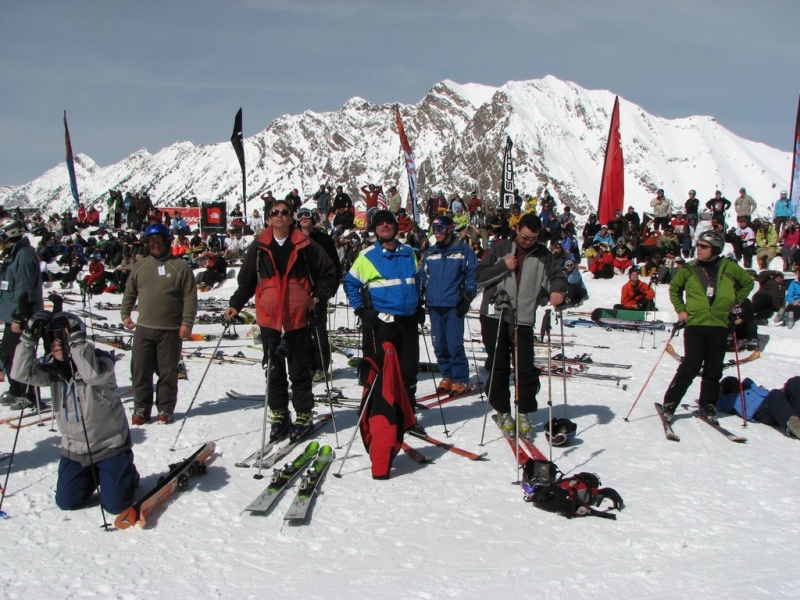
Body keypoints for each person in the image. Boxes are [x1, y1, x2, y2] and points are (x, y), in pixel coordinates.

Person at [225, 200, 337, 441]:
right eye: (274, 212)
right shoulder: (259, 245)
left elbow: (329, 272)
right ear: (268, 219)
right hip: (269, 320)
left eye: (284, 212)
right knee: (274, 370)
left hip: (297, 318)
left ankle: (304, 414)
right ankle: (279, 413)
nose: (279, 216)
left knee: (299, 370)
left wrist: (319, 295)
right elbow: (246, 282)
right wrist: (236, 304)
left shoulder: (306, 244)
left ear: (291, 218)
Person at [11, 311, 138, 514]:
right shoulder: (51, 369)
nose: (58, 344)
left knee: (115, 506)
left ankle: (127, 474)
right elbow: (19, 373)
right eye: (53, 338)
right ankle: (96, 476)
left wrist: (76, 341)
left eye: (63, 337)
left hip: (110, 446)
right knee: (67, 502)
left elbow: (91, 375)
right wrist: (29, 337)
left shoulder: (101, 363)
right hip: (75, 450)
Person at [475, 213, 567, 438]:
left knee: (525, 367)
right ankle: (502, 410)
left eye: (533, 239)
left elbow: (557, 276)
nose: (528, 242)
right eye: (525, 237)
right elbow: (478, 277)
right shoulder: (499, 248)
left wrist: (557, 290)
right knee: (498, 365)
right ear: (517, 230)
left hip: (523, 318)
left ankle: (524, 411)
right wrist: (503, 267)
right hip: (494, 315)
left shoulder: (543, 254)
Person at [661, 230, 754, 423]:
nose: (699, 249)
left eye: (704, 246)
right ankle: (670, 402)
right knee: (690, 366)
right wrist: (681, 310)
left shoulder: (728, 267)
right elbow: (675, 289)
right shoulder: (689, 268)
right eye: (698, 245)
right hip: (695, 323)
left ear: (716, 249)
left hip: (720, 324)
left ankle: (708, 404)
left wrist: (732, 302)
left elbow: (747, 283)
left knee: (714, 369)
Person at [343, 210, 424, 418]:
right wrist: (361, 309)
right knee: (384, 370)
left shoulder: (408, 252)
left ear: (396, 227)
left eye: (389, 222)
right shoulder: (368, 255)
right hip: (384, 322)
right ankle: (383, 412)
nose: (385, 226)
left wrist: (420, 305)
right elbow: (351, 283)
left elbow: (417, 280)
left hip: (408, 319)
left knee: (409, 368)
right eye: (380, 224)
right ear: (375, 229)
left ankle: (407, 413)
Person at [121, 223, 198, 425]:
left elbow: (190, 297)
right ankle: (141, 407)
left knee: (167, 372)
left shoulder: (180, 267)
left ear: (167, 241)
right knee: (140, 370)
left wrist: (187, 323)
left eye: (158, 241)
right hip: (144, 328)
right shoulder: (141, 266)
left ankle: (165, 408)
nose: (155, 245)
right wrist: (125, 313)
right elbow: (130, 291)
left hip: (170, 331)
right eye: (150, 241)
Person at [419, 215, 478, 396]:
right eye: (434, 229)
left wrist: (467, 297)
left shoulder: (463, 251)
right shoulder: (430, 253)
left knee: (454, 344)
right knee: (439, 344)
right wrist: (417, 297)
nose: (436, 234)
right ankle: (447, 375)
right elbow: (422, 277)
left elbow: (472, 275)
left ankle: (460, 378)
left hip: (453, 304)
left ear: (450, 229)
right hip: (434, 304)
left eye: (440, 229)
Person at [0, 217, 44, 407]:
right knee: (8, 354)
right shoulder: (13, 254)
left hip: (22, 316)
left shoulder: (24, 254)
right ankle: (16, 388)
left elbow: (24, 288)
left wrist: (20, 316)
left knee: (22, 356)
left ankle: (29, 394)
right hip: (12, 315)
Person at [296, 208, 342, 382]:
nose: (304, 218)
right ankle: (307, 365)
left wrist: (327, 291)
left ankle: (321, 365)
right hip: (299, 292)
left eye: (307, 215)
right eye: (300, 216)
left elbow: (334, 268)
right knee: (302, 330)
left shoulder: (324, 240)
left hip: (318, 291)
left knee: (318, 329)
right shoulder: (293, 239)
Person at [717, 375, 800, 439]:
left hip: (778, 405)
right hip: (762, 412)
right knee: (775, 393)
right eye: (730, 384)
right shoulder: (730, 400)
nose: (734, 384)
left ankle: (796, 418)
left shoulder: (751, 386)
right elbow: (716, 399)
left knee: (795, 381)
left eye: (735, 382)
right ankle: (794, 426)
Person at [780, 265, 800, 329]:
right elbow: (789, 295)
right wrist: (793, 301)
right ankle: (785, 316)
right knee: (790, 307)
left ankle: (791, 318)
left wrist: (798, 301)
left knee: (797, 309)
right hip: (794, 301)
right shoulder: (794, 282)